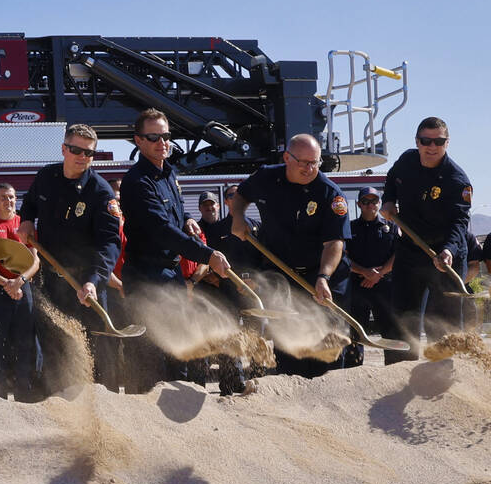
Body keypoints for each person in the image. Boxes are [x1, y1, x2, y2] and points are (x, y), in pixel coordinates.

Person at [119, 110, 229, 392]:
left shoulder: (169, 174)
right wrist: (208, 255)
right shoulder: (137, 181)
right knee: (149, 354)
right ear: (138, 141)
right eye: (153, 137)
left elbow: (173, 218)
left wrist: (188, 219)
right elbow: (161, 229)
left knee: (180, 349)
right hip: (146, 277)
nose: (162, 142)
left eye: (166, 136)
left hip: (171, 272)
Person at [231, 133, 352, 378]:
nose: (310, 168)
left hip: (321, 278)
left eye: (315, 163)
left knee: (323, 354)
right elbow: (241, 195)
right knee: (289, 351)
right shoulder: (266, 177)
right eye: (303, 162)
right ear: (287, 157)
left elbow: (334, 244)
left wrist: (323, 277)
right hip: (282, 274)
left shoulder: (330, 194)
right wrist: (238, 216)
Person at [18, 124, 123, 394]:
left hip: (85, 285)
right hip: (52, 280)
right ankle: (59, 404)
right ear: (64, 149)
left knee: (97, 351)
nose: (82, 157)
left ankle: (101, 406)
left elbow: (110, 243)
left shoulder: (101, 193)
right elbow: (29, 202)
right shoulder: (46, 176)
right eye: (76, 150)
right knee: (55, 346)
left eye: (89, 153)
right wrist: (27, 220)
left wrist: (93, 280)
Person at [380, 117, 472, 362]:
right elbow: (391, 178)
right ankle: (397, 369)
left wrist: (449, 250)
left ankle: (440, 374)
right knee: (402, 314)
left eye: (438, 141)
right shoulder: (406, 160)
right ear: (417, 142)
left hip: (445, 256)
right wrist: (388, 199)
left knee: (442, 321)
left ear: (447, 142)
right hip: (411, 250)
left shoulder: (457, 180)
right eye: (426, 140)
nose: (432, 146)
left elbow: (459, 222)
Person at [0, 183, 40, 400]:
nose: (9, 201)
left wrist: (20, 281)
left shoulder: (24, 226)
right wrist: (7, 283)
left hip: (24, 289)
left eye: (12, 197)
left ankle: (26, 396)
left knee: (25, 343)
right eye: (4, 197)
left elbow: (36, 261)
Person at [190, 190, 251, 392]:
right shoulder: (195, 230)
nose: (209, 207)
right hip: (204, 293)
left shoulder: (229, 227)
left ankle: (233, 382)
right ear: (200, 208)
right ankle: (198, 384)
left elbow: (235, 259)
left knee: (230, 337)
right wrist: (206, 276)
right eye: (205, 205)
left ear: (219, 206)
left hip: (228, 293)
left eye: (212, 204)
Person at [347, 187, 397, 365]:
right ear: (359, 204)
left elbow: (397, 254)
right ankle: (353, 370)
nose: (370, 205)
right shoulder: (350, 228)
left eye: (374, 201)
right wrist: (364, 272)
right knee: (355, 332)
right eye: (366, 202)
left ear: (379, 203)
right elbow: (343, 256)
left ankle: (393, 369)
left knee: (390, 330)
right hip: (357, 287)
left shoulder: (391, 227)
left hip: (384, 287)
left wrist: (379, 274)